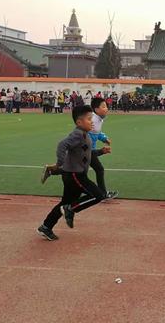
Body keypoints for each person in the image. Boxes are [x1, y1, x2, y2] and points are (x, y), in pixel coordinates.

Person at [37, 105, 110, 240]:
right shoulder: (78, 134)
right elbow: (62, 145)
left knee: (65, 202)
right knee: (98, 195)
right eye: (89, 119)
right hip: (75, 175)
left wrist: (101, 151)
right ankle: (70, 209)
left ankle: (46, 226)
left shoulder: (84, 135)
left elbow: (87, 154)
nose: (92, 122)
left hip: (74, 175)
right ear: (79, 122)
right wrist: (59, 164)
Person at [88, 97, 118, 200]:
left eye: (106, 106)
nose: (106, 108)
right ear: (96, 109)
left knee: (98, 169)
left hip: (89, 150)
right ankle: (101, 194)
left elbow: (97, 132)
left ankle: (102, 193)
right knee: (79, 172)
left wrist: (104, 138)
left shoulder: (98, 119)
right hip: (85, 151)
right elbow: (86, 134)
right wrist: (99, 151)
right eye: (104, 106)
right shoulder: (92, 120)